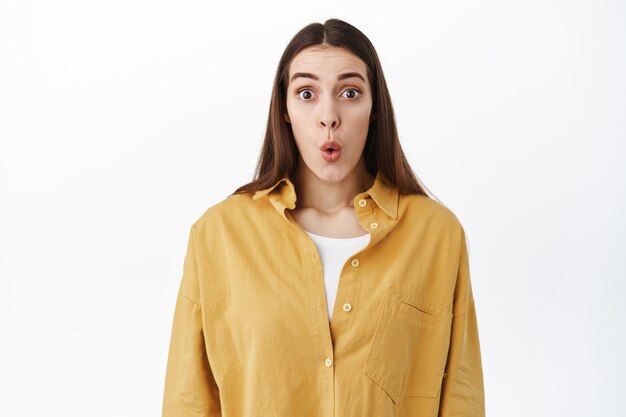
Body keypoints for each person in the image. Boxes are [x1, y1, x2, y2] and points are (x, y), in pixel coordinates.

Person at [162, 18, 485, 417]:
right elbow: (188, 402)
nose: (328, 116)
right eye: (306, 93)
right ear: (285, 109)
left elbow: (462, 400)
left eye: (350, 92)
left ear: (374, 108)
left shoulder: (436, 235)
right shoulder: (218, 236)